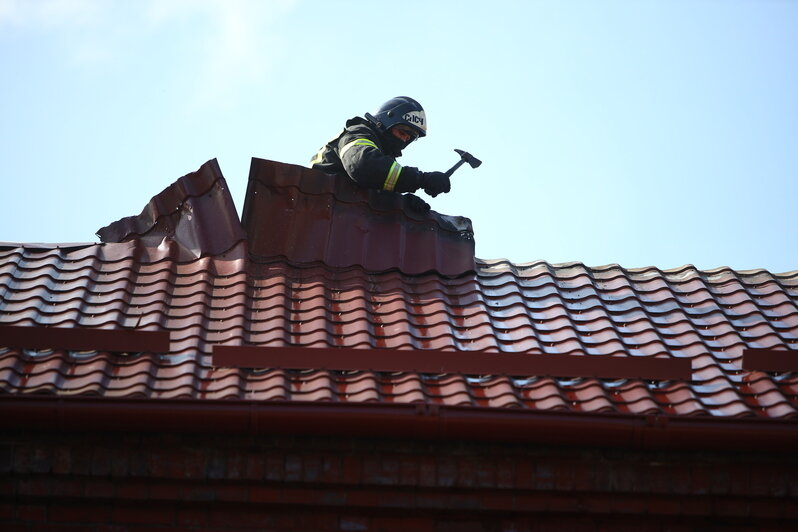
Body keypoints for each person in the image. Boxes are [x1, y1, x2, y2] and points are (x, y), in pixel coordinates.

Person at [310, 97, 451, 209]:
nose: (403, 140)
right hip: (315, 203)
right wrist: (421, 179)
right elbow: (364, 166)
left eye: (409, 138)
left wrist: (401, 202)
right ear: (384, 124)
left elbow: (372, 190)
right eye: (402, 132)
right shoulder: (358, 133)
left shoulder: (383, 156)